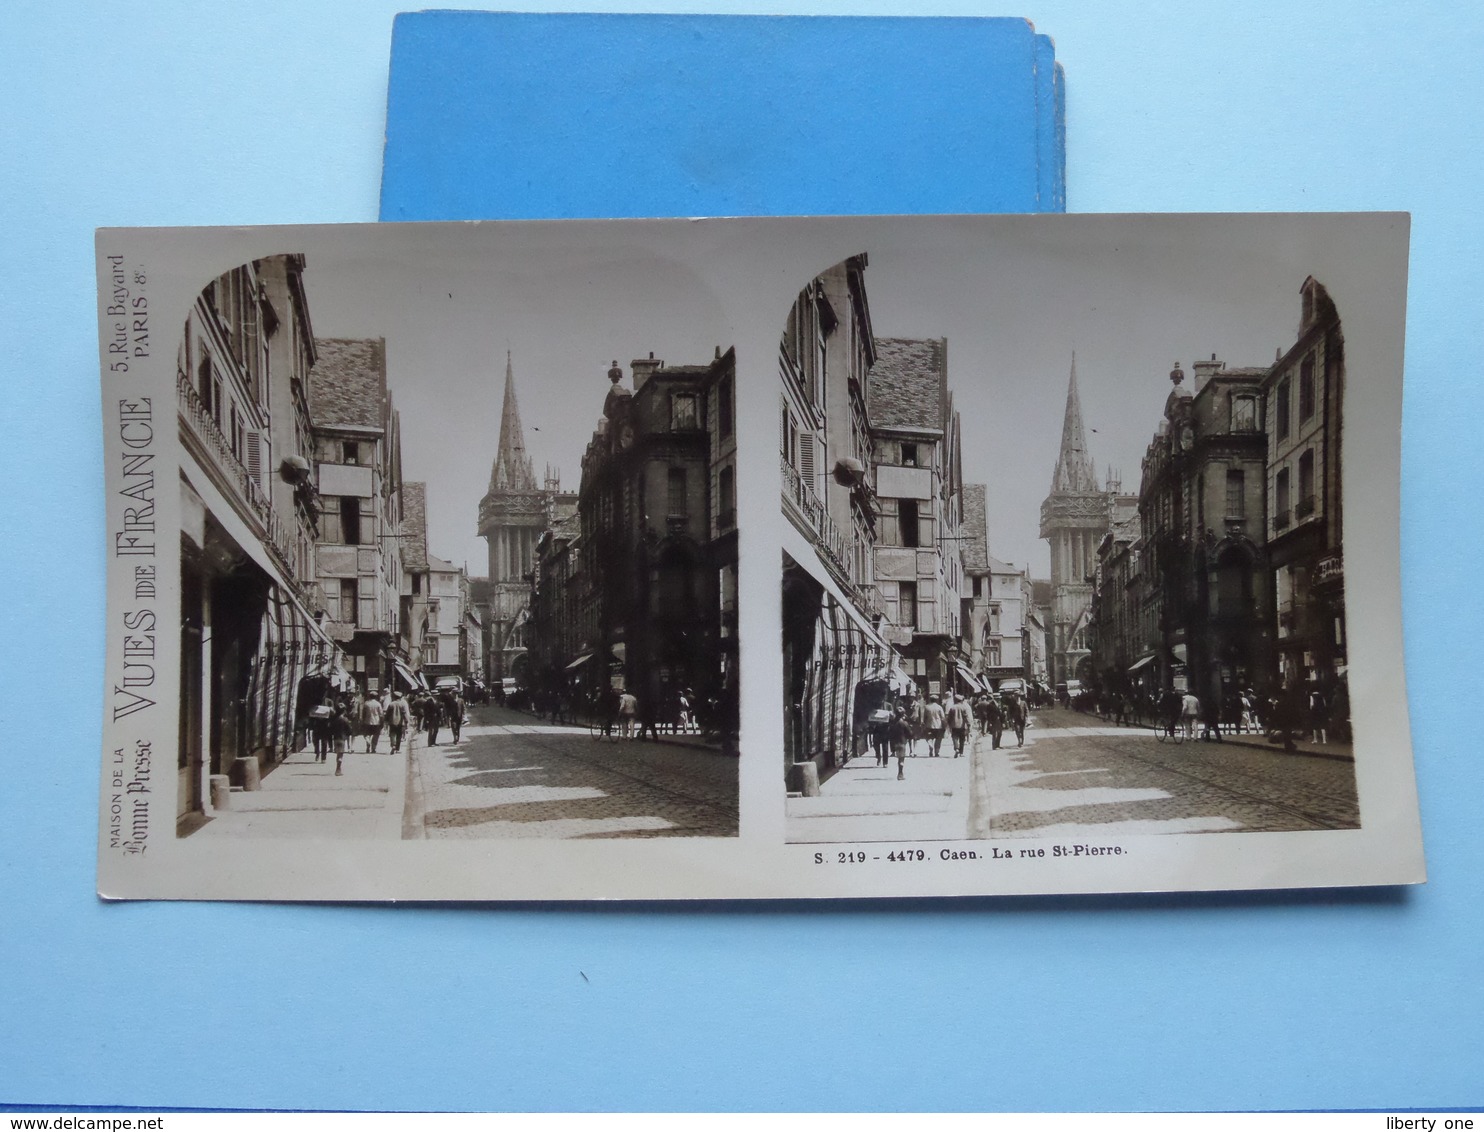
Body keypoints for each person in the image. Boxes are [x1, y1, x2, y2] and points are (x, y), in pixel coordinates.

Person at [887, 706, 912, 781]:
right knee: (901, 759)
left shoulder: (892, 723)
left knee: (899, 757)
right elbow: (909, 733)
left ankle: (900, 772)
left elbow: (889, 732)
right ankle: (900, 773)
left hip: (894, 742)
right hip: (902, 742)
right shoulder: (904, 723)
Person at [946, 693, 973, 758]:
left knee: (954, 737)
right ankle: (961, 752)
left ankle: (956, 748)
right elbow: (966, 716)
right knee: (962, 739)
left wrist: (949, 725)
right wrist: (969, 724)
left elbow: (949, 717)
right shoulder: (964, 707)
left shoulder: (952, 707)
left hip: (954, 725)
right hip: (962, 725)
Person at [331, 704, 353, 776]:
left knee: (338, 753)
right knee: (340, 755)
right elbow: (349, 730)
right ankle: (338, 769)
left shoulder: (334, 719)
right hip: (342, 739)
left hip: (335, 738)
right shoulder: (345, 720)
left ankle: (338, 768)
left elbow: (331, 729)